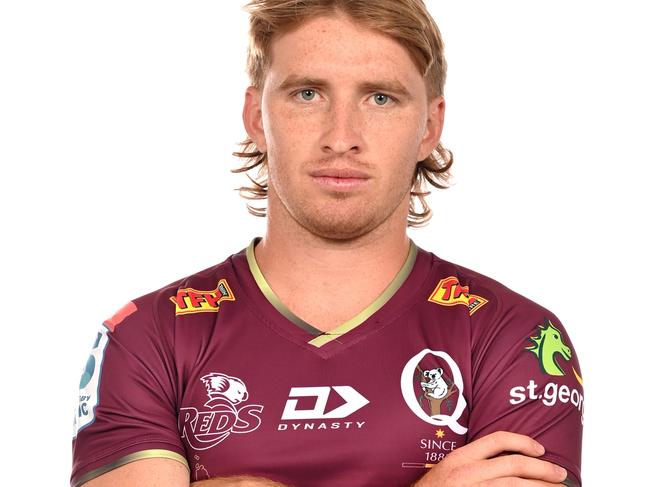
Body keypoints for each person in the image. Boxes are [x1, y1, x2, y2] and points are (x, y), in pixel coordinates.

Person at [71, 1, 583, 486]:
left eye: (380, 97)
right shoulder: (146, 336)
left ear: (430, 125)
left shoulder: (514, 337)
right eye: (307, 94)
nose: (341, 137)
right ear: (256, 118)